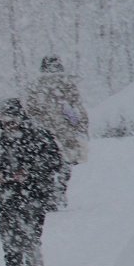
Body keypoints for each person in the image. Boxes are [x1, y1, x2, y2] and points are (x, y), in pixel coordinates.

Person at [0, 98, 65, 266]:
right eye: (4, 121)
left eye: (12, 120)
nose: (8, 125)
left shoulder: (38, 136)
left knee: (31, 244)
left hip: (33, 198)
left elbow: (54, 162)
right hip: (7, 200)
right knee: (10, 248)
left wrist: (29, 173)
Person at [24, 55, 88, 209]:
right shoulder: (68, 84)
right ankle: (58, 191)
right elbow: (77, 110)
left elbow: (30, 112)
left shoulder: (36, 86)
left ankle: (48, 193)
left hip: (43, 134)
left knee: (44, 166)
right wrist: (81, 129)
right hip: (65, 133)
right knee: (65, 164)